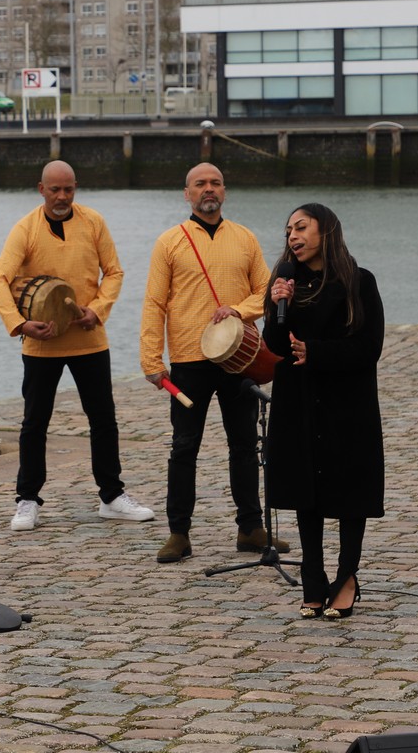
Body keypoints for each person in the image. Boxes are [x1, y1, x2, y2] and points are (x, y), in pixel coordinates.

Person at [0, 160, 154, 531]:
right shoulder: (25, 228)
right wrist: (20, 324)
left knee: (103, 419)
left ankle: (111, 496)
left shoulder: (94, 222)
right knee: (34, 423)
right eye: (55, 190)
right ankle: (27, 498)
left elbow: (114, 272)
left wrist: (98, 310)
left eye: (68, 189)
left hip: (89, 339)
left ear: (75, 187)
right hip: (41, 343)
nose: (62, 197)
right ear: (41, 189)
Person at [140, 162, 280, 564]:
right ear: (187, 194)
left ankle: (250, 528)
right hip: (189, 359)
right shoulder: (169, 242)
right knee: (184, 448)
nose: (209, 189)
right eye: (200, 184)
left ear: (224, 191)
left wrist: (237, 310)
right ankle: (179, 533)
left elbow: (266, 292)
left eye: (216, 183)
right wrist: (151, 359)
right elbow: (154, 303)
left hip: (238, 358)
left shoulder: (245, 237)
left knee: (245, 445)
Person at [262, 203, 385, 619]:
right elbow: (276, 345)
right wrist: (277, 309)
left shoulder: (359, 281)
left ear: (326, 231)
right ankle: (312, 581)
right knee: (305, 491)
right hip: (298, 400)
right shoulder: (285, 282)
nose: (292, 236)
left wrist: (316, 352)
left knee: (350, 492)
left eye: (301, 227)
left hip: (346, 402)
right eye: (288, 231)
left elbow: (369, 348)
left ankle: (347, 577)